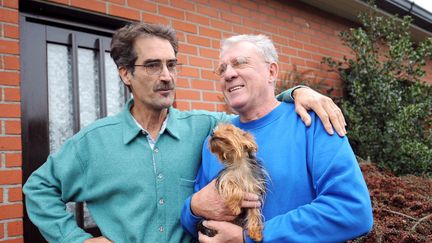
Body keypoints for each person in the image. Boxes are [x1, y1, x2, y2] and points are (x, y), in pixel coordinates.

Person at [23, 23, 347, 243]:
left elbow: (258, 109)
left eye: (171, 64)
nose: (166, 76)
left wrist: (298, 93)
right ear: (125, 74)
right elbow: (38, 189)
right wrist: (74, 240)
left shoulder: (205, 127)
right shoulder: (94, 142)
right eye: (152, 66)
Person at [180, 34, 373, 242]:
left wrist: (251, 238)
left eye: (240, 63)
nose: (228, 74)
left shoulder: (312, 122)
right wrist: (192, 209)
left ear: (271, 71)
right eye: (222, 69)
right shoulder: (216, 140)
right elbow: (195, 219)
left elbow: (352, 210)